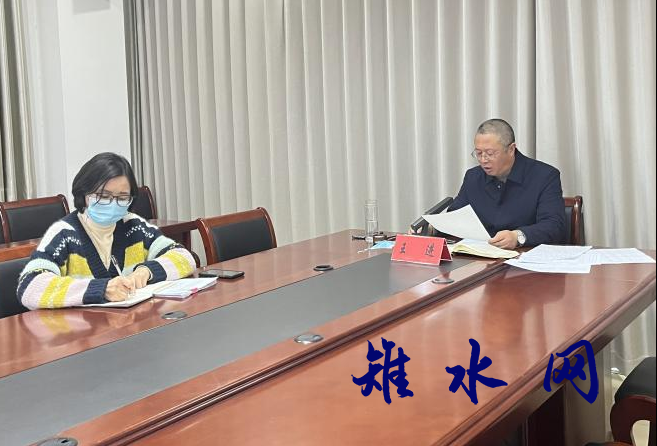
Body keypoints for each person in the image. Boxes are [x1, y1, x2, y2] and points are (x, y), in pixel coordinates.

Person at [17, 152, 196, 309]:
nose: (113, 204)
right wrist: (100, 289)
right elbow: (29, 286)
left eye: (122, 197)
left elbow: (184, 257)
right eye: (104, 196)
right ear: (85, 195)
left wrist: (147, 271)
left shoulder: (133, 226)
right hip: (80, 331)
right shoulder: (64, 234)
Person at [446, 118, 566, 249]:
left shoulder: (544, 176)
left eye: (490, 153)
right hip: (480, 255)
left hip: (525, 255)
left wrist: (518, 237)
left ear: (511, 149)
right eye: (478, 153)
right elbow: (455, 215)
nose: (483, 160)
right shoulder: (473, 177)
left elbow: (554, 225)